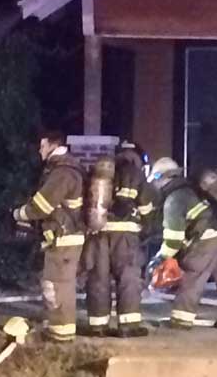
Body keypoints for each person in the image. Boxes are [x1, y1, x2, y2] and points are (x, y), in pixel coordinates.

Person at [148, 157, 217, 330]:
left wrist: (160, 258)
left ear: (160, 178)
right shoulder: (196, 188)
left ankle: (180, 321)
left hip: (208, 241)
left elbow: (173, 240)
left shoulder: (174, 199)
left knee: (192, 277)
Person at [13, 128, 84, 343]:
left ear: (53, 145)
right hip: (62, 238)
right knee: (56, 284)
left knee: (58, 285)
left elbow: (41, 206)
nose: (39, 150)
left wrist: (18, 214)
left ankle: (61, 333)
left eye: (42, 145)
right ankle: (57, 328)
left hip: (63, 239)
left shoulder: (62, 173)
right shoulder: (62, 169)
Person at [82, 140, 155, 337]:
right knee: (128, 278)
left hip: (98, 233)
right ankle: (128, 326)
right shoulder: (136, 174)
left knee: (98, 278)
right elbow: (146, 206)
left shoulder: (100, 173)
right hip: (125, 236)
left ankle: (98, 326)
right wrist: (147, 228)